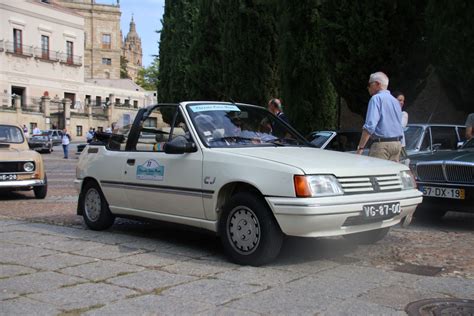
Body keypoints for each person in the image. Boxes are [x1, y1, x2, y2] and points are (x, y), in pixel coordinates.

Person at [356, 72, 404, 162]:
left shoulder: (376, 99)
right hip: (397, 144)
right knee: (391, 174)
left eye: (369, 84)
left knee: (377, 174)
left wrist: (360, 148)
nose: (368, 87)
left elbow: (370, 126)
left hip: (381, 145)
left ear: (377, 84)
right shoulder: (395, 101)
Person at [393, 91, 408, 159]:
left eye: (403, 101)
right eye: (399, 100)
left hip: (400, 145)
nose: (402, 102)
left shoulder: (403, 114)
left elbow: (401, 125)